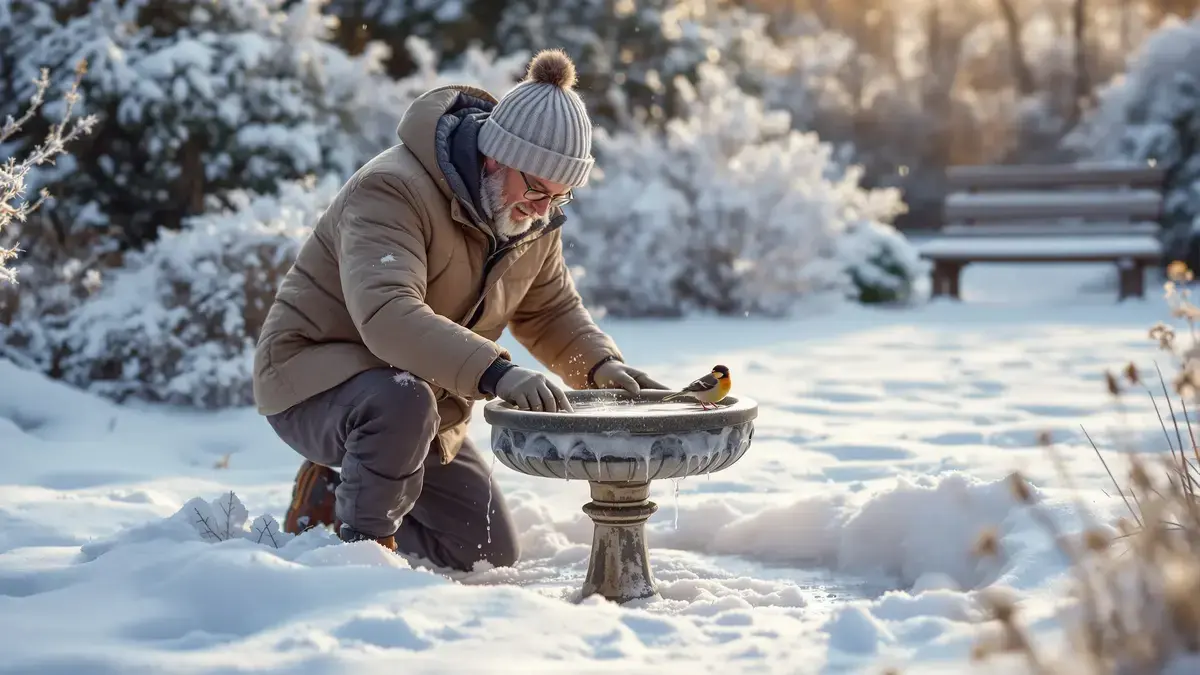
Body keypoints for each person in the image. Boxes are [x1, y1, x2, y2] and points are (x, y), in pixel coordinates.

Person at [251, 48, 667, 571]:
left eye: (559, 198)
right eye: (536, 189)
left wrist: (603, 368)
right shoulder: (393, 189)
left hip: (421, 397)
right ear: (495, 155)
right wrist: (496, 372)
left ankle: (337, 490)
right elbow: (387, 314)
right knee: (399, 401)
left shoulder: (530, 218)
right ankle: (358, 558)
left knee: (482, 553)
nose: (542, 211)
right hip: (311, 379)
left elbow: (550, 311)